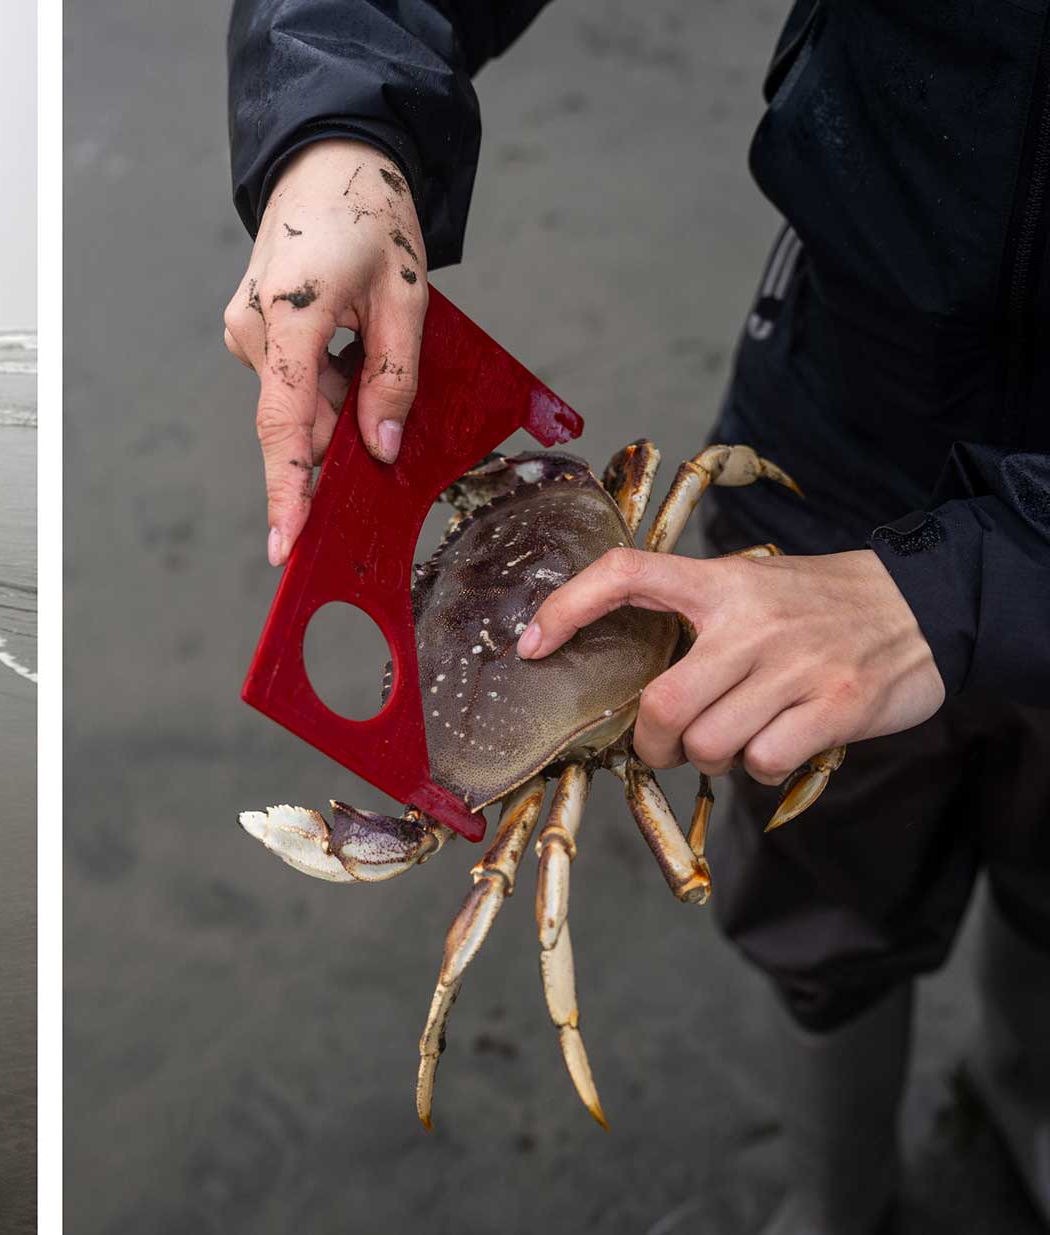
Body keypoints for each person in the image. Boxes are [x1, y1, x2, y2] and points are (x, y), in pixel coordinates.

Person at [225, 4, 1050, 1231]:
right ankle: (841, 1203)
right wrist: (335, 127)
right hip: (846, 414)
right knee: (823, 909)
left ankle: (1020, 1094)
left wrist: (952, 585)